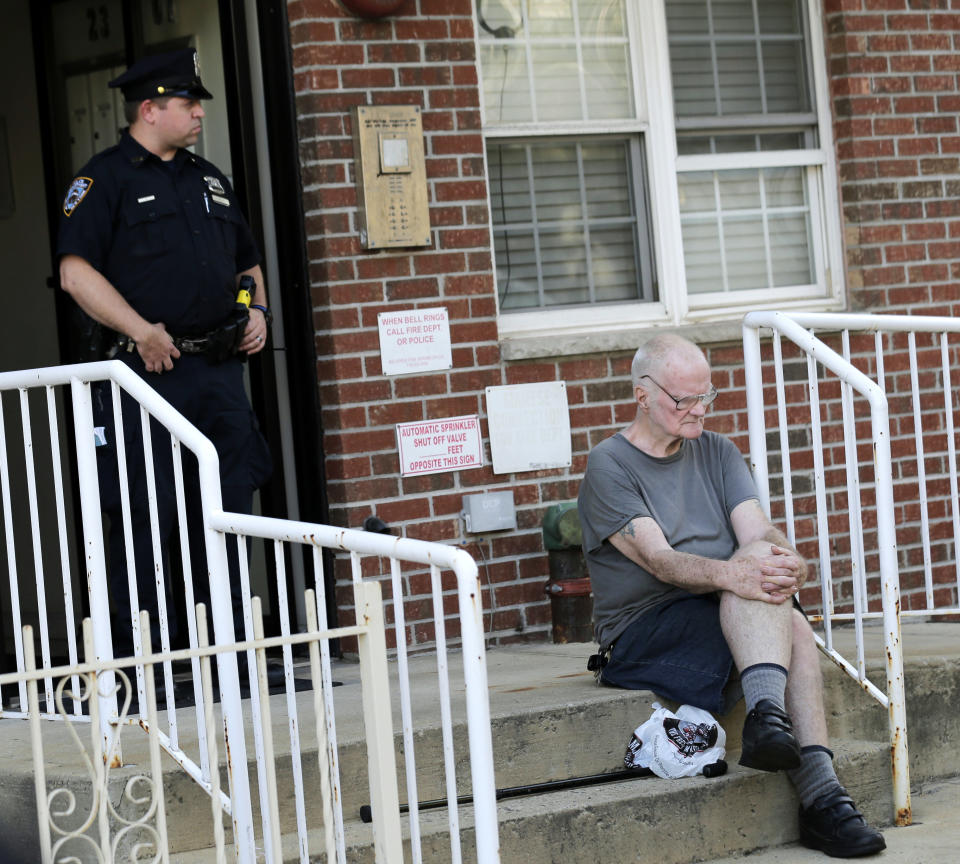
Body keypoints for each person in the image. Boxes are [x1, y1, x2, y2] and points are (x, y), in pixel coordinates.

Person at [577, 333, 885, 858]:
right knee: (776, 609)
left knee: (764, 574)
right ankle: (822, 799)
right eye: (685, 400)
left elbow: (757, 531)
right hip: (644, 627)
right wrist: (736, 574)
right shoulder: (609, 466)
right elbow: (661, 562)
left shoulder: (716, 450)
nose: (699, 410)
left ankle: (771, 724)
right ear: (643, 395)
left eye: (707, 397)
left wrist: (789, 560)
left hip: (721, 605)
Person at [56, 48, 273, 662]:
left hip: (218, 374)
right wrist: (141, 329)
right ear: (149, 110)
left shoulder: (209, 179)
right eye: (187, 102)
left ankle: (227, 654)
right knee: (142, 516)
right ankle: (152, 663)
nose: (199, 112)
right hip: (146, 375)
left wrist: (255, 310)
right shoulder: (105, 181)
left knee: (230, 504)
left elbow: (247, 265)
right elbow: (76, 275)